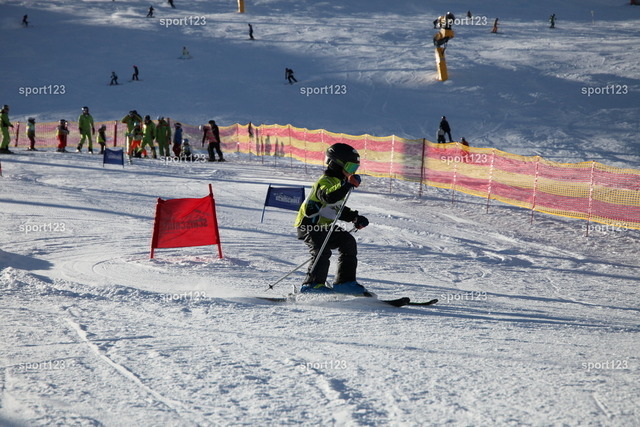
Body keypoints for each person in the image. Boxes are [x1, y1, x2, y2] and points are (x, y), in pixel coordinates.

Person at [294, 143, 370, 295]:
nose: (352, 172)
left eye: (355, 168)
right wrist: (347, 186)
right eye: (350, 168)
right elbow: (328, 197)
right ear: (336, 164)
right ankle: (312, 285)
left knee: (348, 242)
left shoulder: (339, 183)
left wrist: (355, 218)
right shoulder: (325, 181)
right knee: (322, 251)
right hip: (310, 225)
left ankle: (345, 283)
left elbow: (336, 208)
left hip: (325, 227)